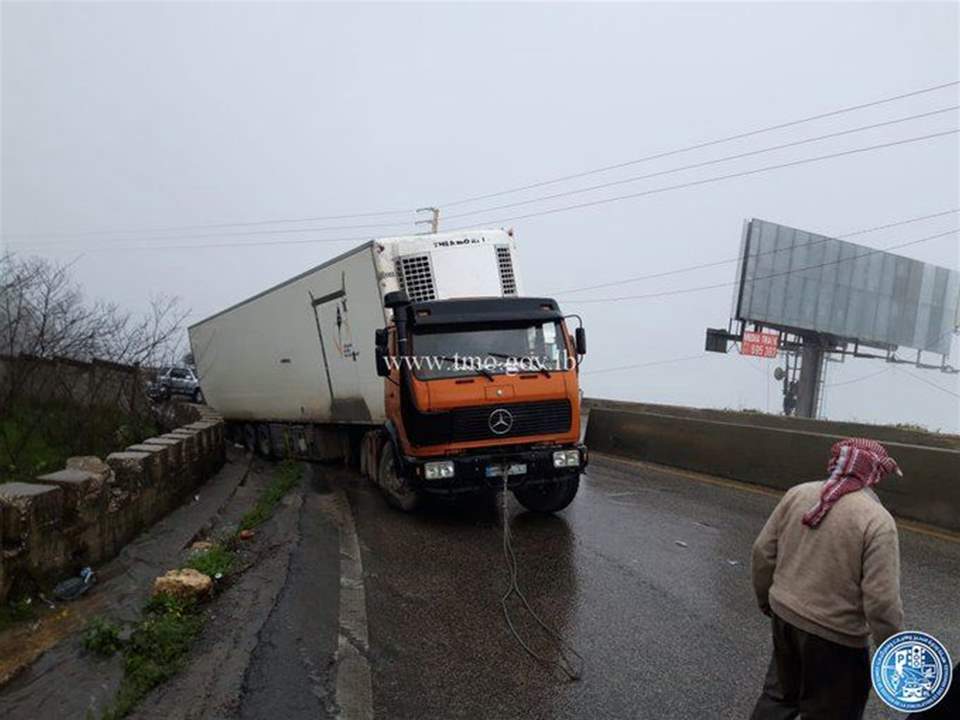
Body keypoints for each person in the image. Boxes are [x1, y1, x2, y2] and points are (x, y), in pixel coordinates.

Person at [750, 438, 904, 720]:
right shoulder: (877, 520)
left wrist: (766, 601)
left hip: (785, 616)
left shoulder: (797, 494)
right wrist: (892, 649)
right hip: (836, 638)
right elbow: (881, 600)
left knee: (779, 698)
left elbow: (763, 552)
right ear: (875, 473)